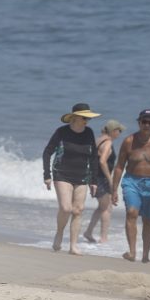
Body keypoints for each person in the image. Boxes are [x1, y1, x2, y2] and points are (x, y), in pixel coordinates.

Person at [111, 109, 150, 264]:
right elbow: (119, 166)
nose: (146, 125)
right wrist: (114, 189)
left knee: (148, 220)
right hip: (132, 181)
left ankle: (146, 255)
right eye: (143, 121)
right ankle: (132, 252)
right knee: (132, 212)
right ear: (138, 122)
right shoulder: (129, 142)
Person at [41, 104, 103, 255]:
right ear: (75, 118)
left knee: (78, 210)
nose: (87, 121)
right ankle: (60, 233)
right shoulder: (61, 132)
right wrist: (47, 175)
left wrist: (94, 180)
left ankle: (73, 245)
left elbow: (94, 157)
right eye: (84, 118)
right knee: (66, 208)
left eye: (88, 118)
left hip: (82, 176)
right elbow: (47, 152)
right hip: (62, 173)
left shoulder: (88, 133)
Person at [82, 120, 124, 244]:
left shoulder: (99, 140)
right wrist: (110, 179)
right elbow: (102, 161)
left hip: (94, 177)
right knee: (107, 208)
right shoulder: (108, 143)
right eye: (119, 131)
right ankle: (103, 238)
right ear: (113, 131)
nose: (120, 133)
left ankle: (88, 232)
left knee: (101, 207)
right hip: (101, 178)